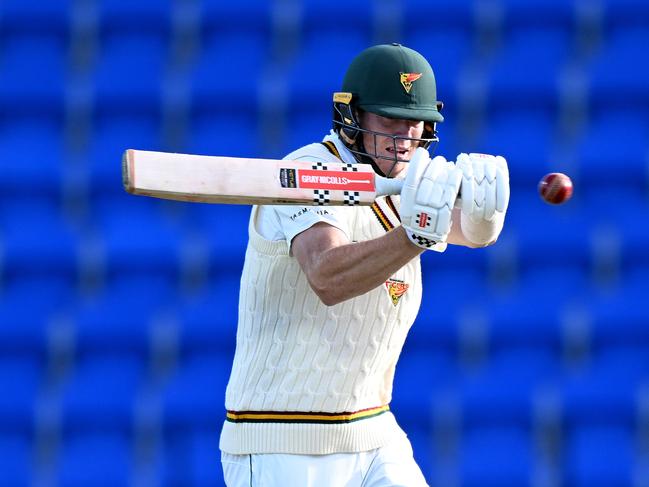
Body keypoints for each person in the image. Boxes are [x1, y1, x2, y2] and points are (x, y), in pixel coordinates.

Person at [219, 43, 509, 486]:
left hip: (372, 430)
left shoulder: (407, 179)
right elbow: (327, 275)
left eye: (414, 123)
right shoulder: (307, 169)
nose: (405, 137)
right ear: (352, 119)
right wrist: (413, 235)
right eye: (389, 120)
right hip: (281, 439)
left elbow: (466, 231)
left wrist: (484, 215)